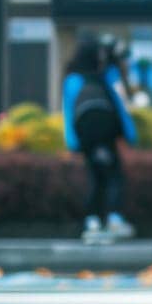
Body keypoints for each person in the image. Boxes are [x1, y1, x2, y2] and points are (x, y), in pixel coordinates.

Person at [61, 33, 139, 244]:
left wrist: (72, 143)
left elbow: (68, 113)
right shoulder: (105, 76)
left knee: (94, 177)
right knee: (114, 175)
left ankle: (92, 222)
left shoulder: (72, 80)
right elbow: (120, 108)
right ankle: (114, 219)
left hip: (86, 138)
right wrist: (131, 135)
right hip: (107, 135)